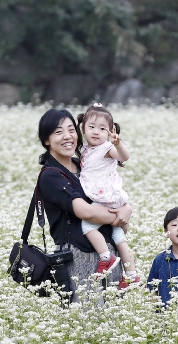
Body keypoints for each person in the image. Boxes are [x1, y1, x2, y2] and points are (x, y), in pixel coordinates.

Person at [34, 108, 132, 302]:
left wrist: (127, 208)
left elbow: (110, 194)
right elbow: (85, 211)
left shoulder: (84, 164)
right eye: (58, 132)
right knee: (88, 320)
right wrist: (121, 216)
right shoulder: (51, 174)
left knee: (111, 323)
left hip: (108, 256)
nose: (67, 136)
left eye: (71, 130)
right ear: (46, 140)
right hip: (79, 257)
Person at [76, 103, 140, 288]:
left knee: (88, 226)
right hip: (107, 198)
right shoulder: (86, 150)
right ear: (83, 128)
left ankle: (106, 257)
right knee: (119, 236)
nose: (96, 132)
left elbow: (124, 157)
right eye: (92, 127)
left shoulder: (106, 148)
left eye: (102, 129)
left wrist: (118, 143)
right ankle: (132, 274)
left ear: (110, 131)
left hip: (104, 197)